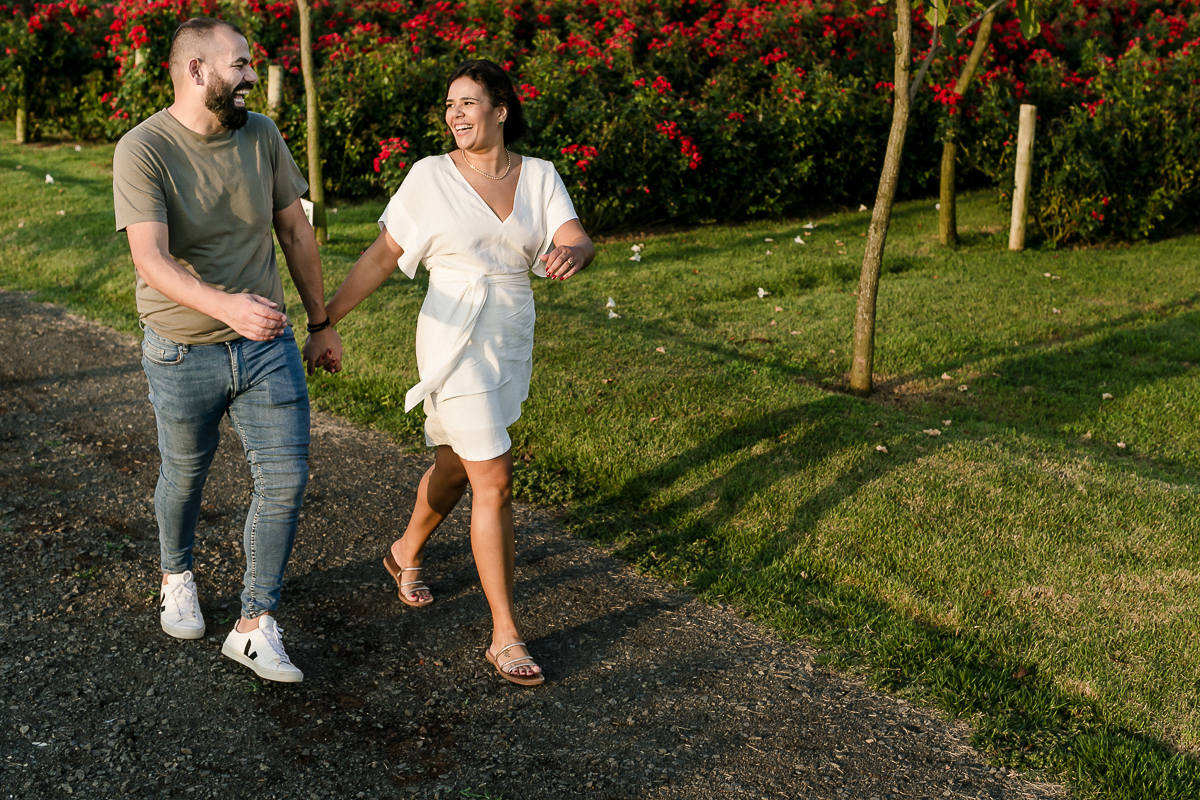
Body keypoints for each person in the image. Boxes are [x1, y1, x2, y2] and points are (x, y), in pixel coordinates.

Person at [317, 59, 595, 686]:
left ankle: (404, 551)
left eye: (469, 103)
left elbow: (576, 236)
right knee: (493, 474)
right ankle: (505, 634)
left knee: (455, 465)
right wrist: (324, 319)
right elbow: (385, 254)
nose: (456, 115)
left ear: (501, 109)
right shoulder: (429, 176)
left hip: (509, 334)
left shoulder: (541, 176)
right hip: (452, 335)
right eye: (450, 105)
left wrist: (572, 253)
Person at [112, 17, 342, 684]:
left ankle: (254, 623)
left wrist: (320, 321)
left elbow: (296, 234)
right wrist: (227, 307)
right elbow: (151, 259)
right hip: (184, 348)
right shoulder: (143, 148)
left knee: (287, 477)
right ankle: (176, 573)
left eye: (250, 64)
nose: (249, 76)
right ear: (195, 71)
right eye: (239, 64)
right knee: (184, 474)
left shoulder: (262, 137)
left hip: (266, 344)